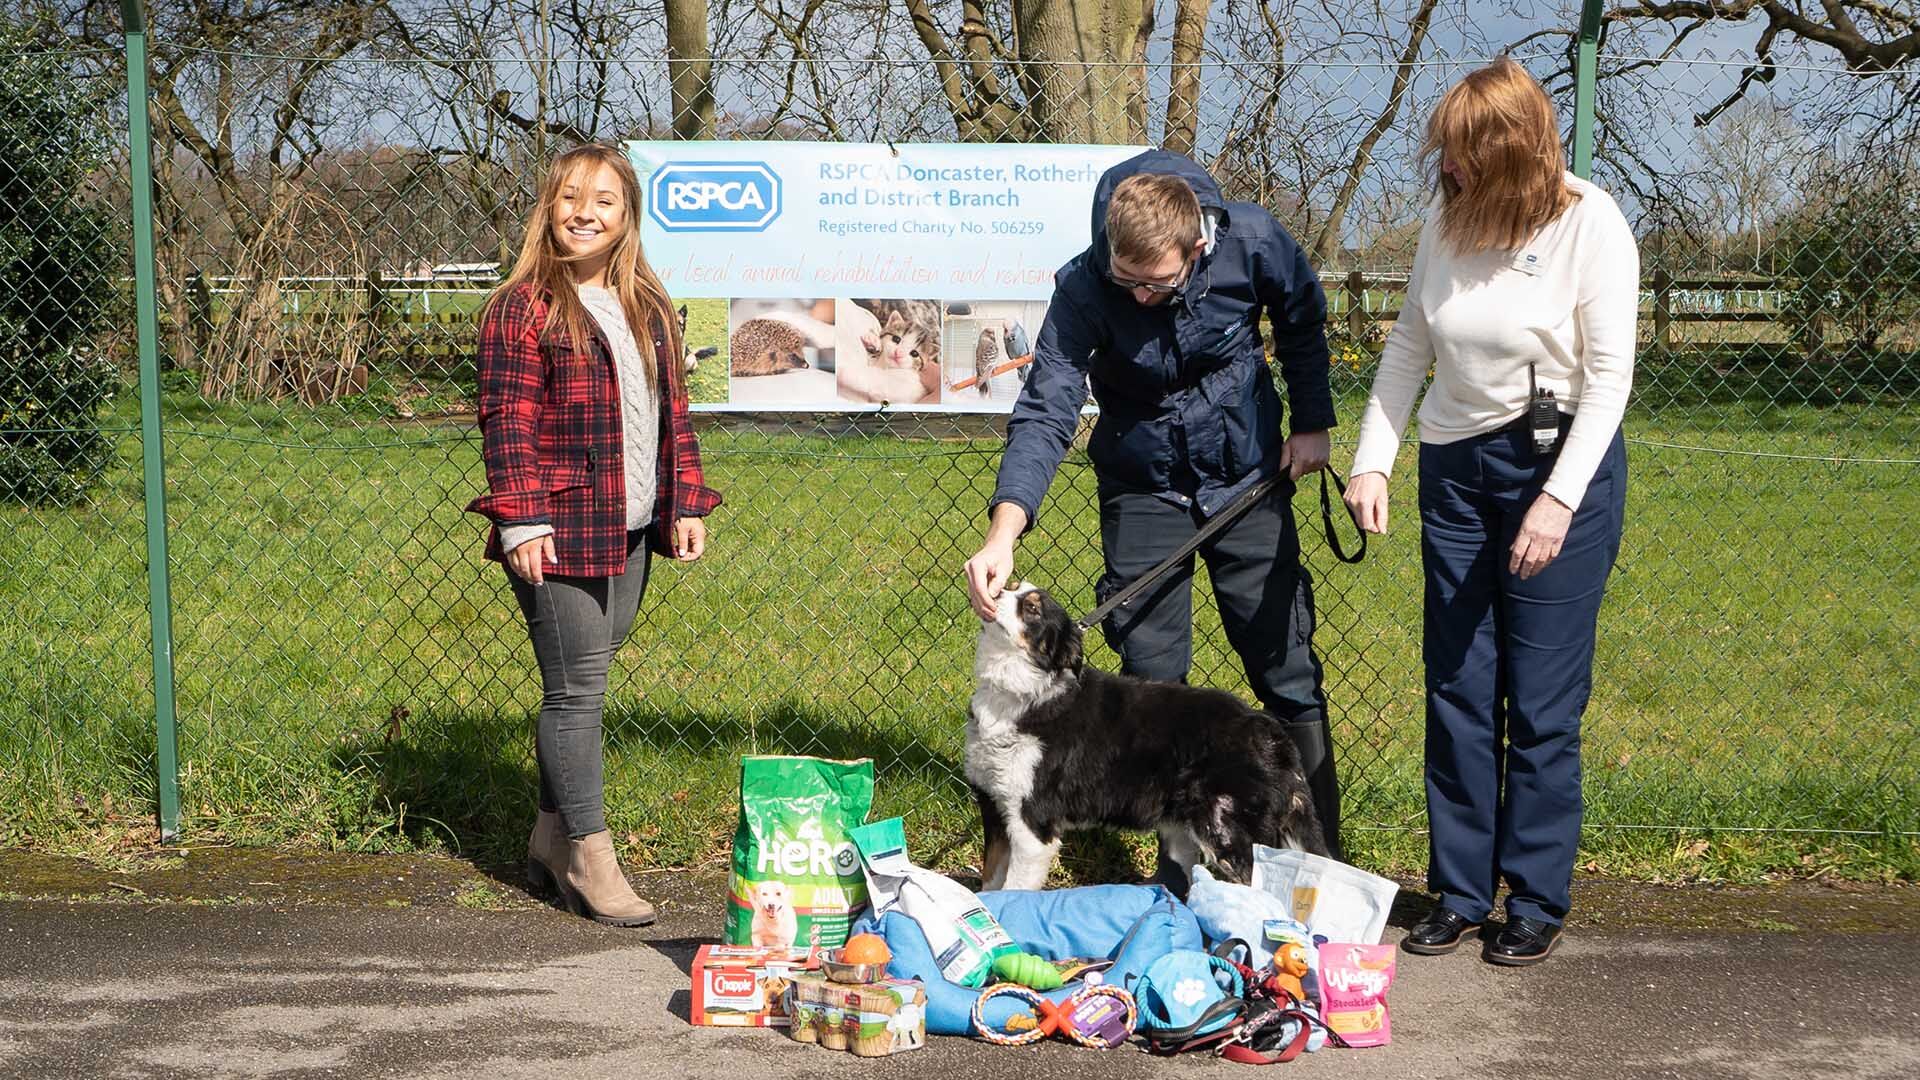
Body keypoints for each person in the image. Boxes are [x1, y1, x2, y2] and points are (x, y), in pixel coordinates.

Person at [963, 149, 1345, 869]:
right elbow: (1046, 407)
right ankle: (1182, 878)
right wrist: (1003, 530)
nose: (1139, 296)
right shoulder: (1082, 286)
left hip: (1246, 475)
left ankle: (1320, 868)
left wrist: (1313, 420)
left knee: (1284, 668)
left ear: (1198, 244)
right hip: (1143, 483)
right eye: (1125, 281)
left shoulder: (1254, 242)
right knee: (1153, 673)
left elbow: (1302, 317)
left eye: (1158, 284)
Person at [1343, 58, 1637, 966]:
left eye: (1464, 154)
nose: (1447, 167)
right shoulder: (1446, 218)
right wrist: (1374, 461)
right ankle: (1462, 890)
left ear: (1511, 153)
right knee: (1460, 686)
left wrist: (1555, 500)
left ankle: (1537, 897)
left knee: (1542, 703)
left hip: (1556, 468)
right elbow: (1408, 344)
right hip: (1457, 471)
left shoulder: (1592, 224)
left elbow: (1610, 380)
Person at [467, 144, 721, 927]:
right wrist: (521, 517)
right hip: (558, 523)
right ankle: (589, 853)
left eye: (605, 200)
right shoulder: (523, 307)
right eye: (572, 196)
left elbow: (673, 415)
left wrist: (684, 502)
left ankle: (546, 835)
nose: (586, 211)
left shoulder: (645, 300)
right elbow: (506, 421)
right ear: (548, 206)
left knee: (590, 669)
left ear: (627, 216)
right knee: (577, 688)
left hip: (634, 523)